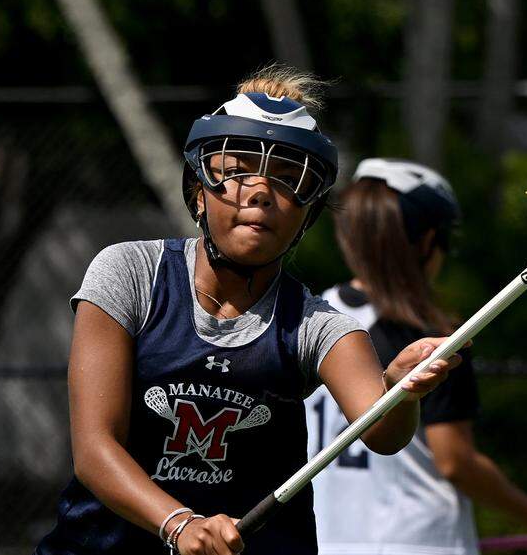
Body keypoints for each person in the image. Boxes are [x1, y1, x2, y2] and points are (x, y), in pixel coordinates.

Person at [36, 66, 463, 555]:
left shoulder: (317, 326)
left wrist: (401, 390)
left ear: (308, 214)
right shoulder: (129, 272)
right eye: (237, 170)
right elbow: (94, 450)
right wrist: (178, 523)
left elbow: (384, 434)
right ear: (199, 193)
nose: (260, 192)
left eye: (287, 178)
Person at [305, 158, 527, 555]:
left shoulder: (311, 318)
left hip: (328, 540)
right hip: (422, 541)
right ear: (425, 242)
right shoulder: (428, 337)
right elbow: (455, 461)